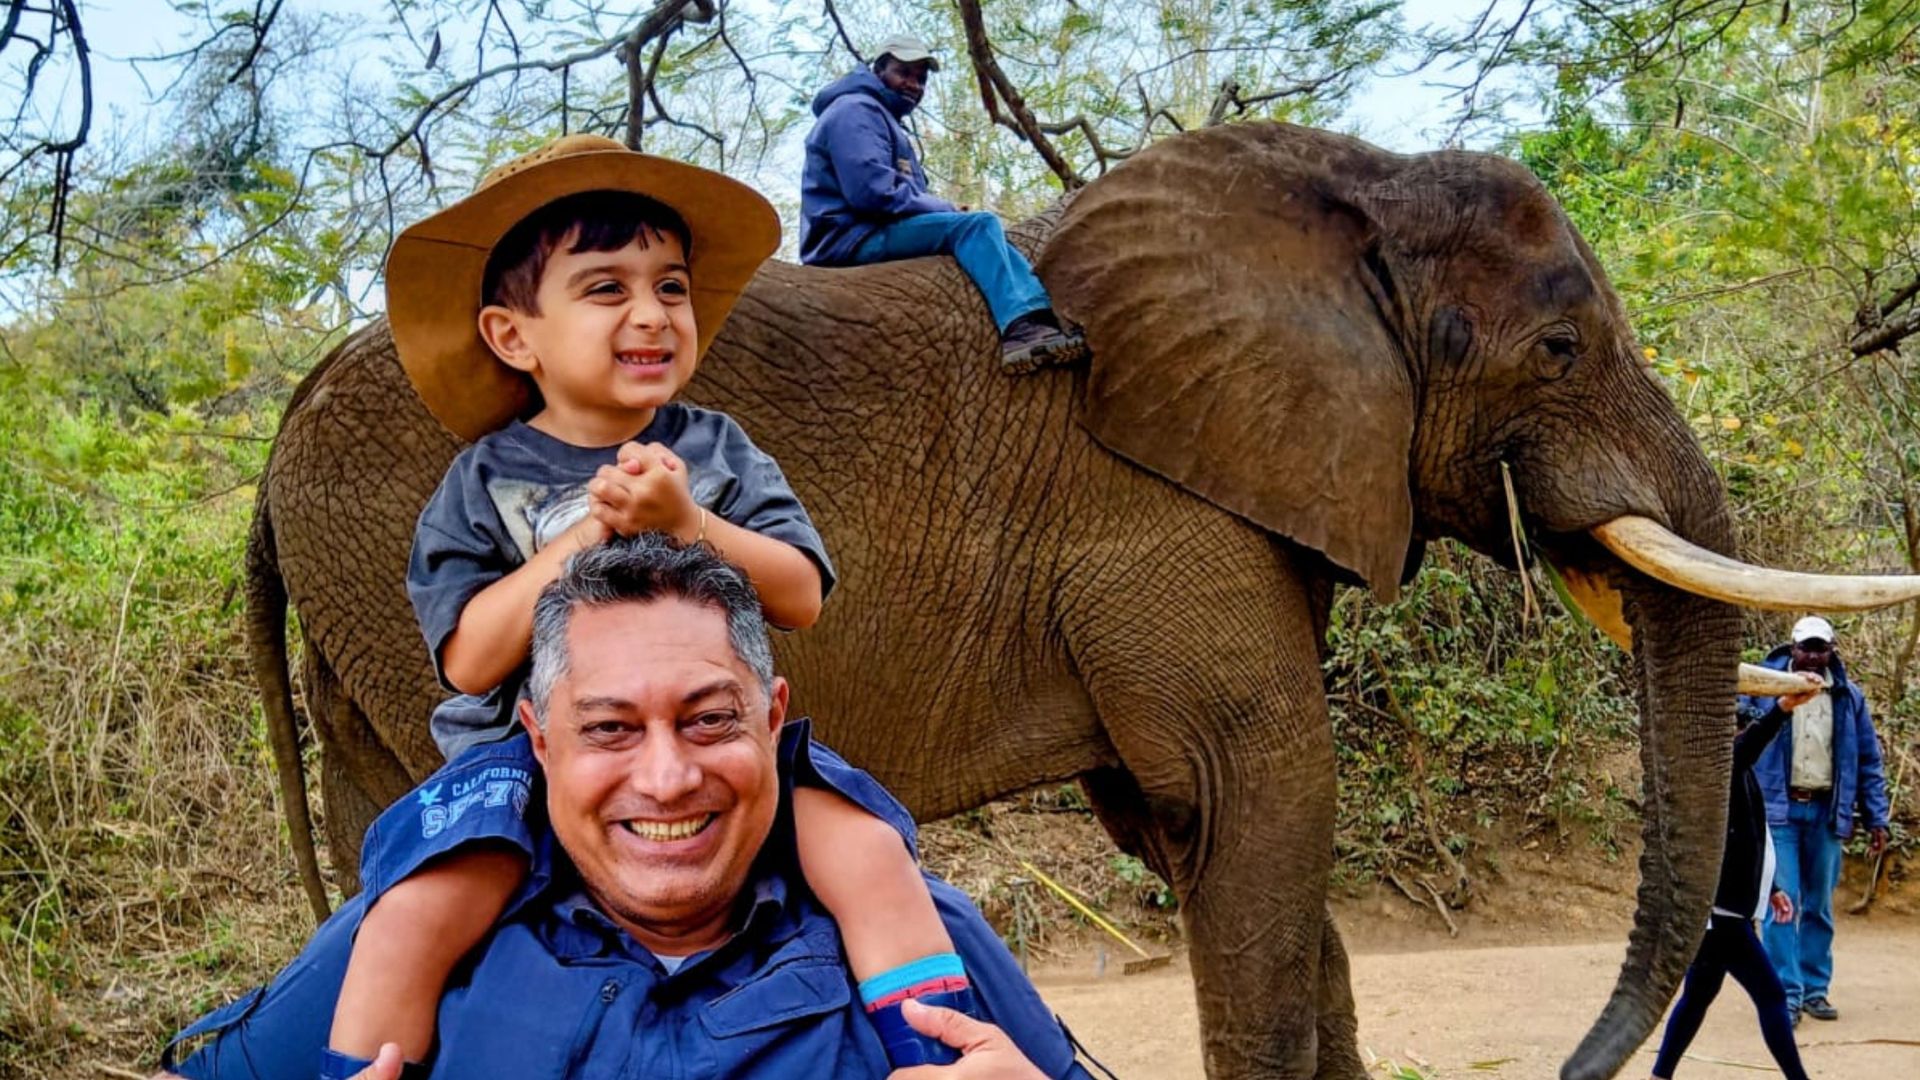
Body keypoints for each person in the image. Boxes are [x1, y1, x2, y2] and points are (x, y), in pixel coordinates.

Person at [317, 135, 978, 1078]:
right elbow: (467, 661)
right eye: (605, 288)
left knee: (868, 848)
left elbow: (799, 595)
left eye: (671, 287)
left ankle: (937, 1053)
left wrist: (691, 521)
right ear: (514, 336)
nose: (652, 313)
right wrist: (585, 537)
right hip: (523, 767)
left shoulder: (717, 450)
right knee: (413, 913)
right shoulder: (483, 481)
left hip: (712, 741)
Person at [159, 536, 1097, 1079]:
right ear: (538, 740)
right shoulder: (414, 930)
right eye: (609, 728)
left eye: (709, 720)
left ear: (772, 720)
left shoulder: (920, 933)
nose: (666, 778)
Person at [800, 34, 1086, 373]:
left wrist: (937, 208)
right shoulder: (855, 111)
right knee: (978, 225)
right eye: (903, 72)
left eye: (920, 78)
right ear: (878, 70)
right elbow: (872, 193)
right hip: (850, 237)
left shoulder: (878, 116)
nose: (913, 84)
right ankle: (1022, 330)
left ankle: (1040, 313)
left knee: (983, 227)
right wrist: (944, 209)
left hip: (865, 230)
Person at [1649, 671, 1822, 1080]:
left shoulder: (1740, 779)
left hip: (1726, 911)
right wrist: (1781, 709)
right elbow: (1746, 749)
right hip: (1721, 912)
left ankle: (1660, 1075)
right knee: (1772, 995)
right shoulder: (1716, 772)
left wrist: (1774, 889)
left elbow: (1748, 842)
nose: (1738, 739)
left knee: (1697, 998)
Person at [1740, 615, 1892, 1026]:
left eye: (1819, 648)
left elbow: (1867, 761)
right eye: (1805, 647)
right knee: (1783, 902)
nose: (1811, 656)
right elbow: (1740, 741)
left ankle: (1814, 990)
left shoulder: (1848, 698)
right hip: (1779, 812)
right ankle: (1786, 994)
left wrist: (1877, 818)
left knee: (1819, 906)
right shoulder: (1764, 690)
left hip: (1826, 812)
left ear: (1831, 651)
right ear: (1792, 649)